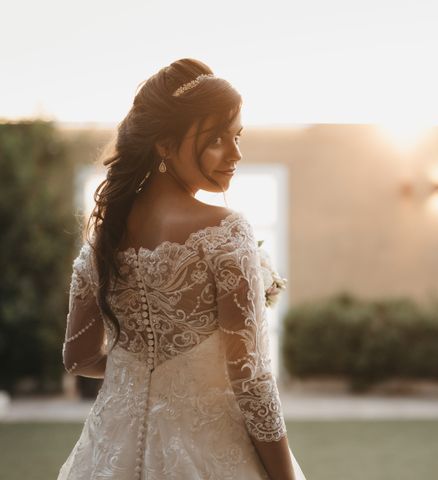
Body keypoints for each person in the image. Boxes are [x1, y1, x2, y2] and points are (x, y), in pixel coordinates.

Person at [57, 58, 306, 480]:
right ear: (164, 145)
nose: (236, 153)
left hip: (105, 457)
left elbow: (77, 356)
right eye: (216, 139)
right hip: (207, 456)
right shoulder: (226, 231)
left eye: (237, 136)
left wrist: (135, 371)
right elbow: (252, 381)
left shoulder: (105, 238)